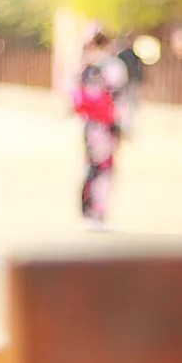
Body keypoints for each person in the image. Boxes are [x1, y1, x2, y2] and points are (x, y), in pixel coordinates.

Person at [71, 31, 127, 227]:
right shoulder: (112, 66)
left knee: (95, 165)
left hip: (92, 123)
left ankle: (91, 208)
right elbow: (121, 98)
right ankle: (96, 209)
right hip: (106, 123)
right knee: (102, 167)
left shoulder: (87, 68)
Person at [115, 35, 144, 136]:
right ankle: (125, 125)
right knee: (128, 104)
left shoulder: (123, 55)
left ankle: (125, 125)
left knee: (126, 103)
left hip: (128, 82)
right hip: (130, 82)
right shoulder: (131, 54)